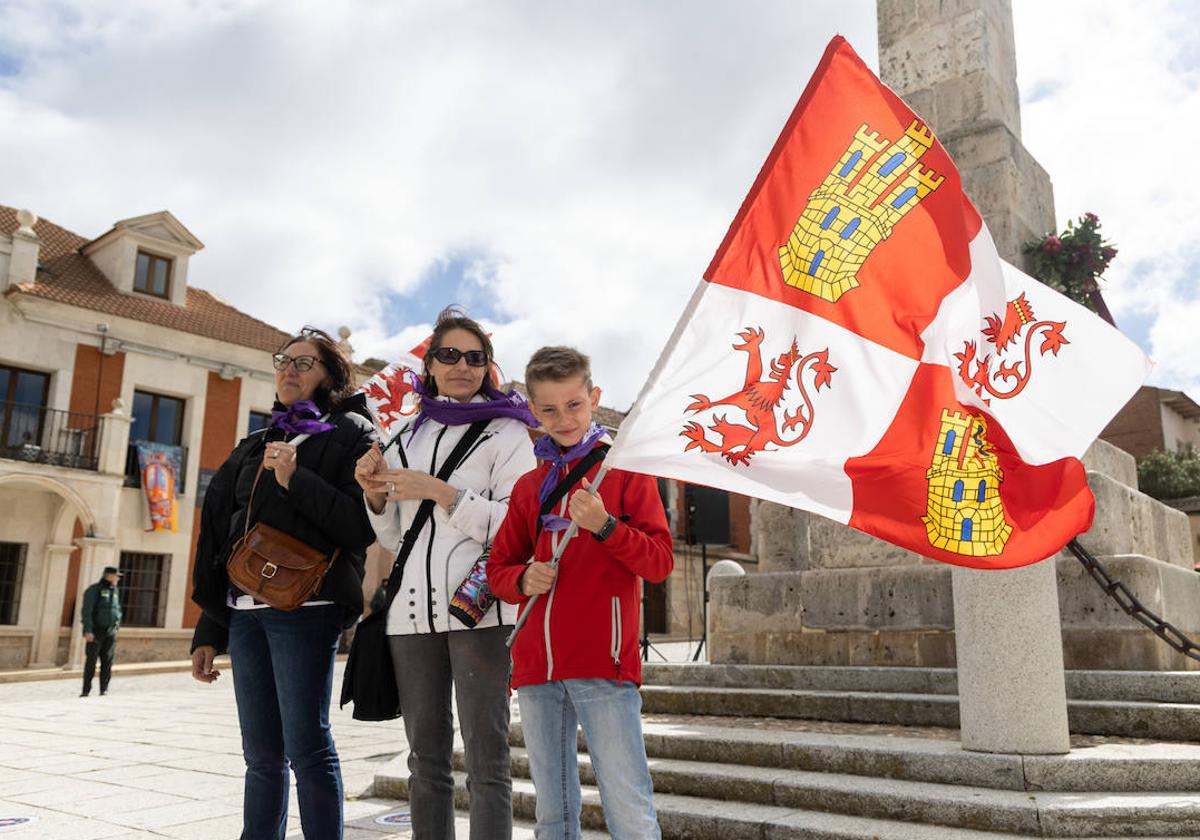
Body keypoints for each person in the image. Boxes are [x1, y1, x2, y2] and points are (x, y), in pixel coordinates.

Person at [354, 306, 537, 840]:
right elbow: (393, 537)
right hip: (410, 617)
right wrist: (374, 494)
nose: (463, 365)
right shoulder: (405, 433)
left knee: (487, 759)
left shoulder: (508, 432)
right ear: (429, 364)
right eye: (450, 355)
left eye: (475, 357)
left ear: (488, 366)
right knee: (424, 762)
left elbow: (516, 527)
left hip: (479, 611)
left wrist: (441, 492)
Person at [189, 326, 377, 840]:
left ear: (329, 377)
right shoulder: (257, 440)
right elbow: (228, 537)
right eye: (284, 360)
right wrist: (209, 628)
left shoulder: (352, 434)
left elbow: (360, 527)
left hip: (306, 607)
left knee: (307, 748)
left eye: (304, 363)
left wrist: (296, 478)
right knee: (261, 754)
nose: (289, 370)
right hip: (244, 612)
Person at [489, 346, 674, 840]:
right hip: (536, 669)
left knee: (628, 806)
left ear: (594, 398)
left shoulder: (625, 473)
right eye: (548, 409)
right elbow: (498, 569)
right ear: (532, 410)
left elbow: (659, 563)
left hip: (602, 661)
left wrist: (606, 526)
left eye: (573, 405)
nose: (563, 418)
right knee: (552, 812)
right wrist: (524, 579)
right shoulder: (529, 487)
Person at [80, 566, 122, 697]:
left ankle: (104, 689)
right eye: (116, 576)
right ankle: (86, 690)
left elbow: (117, 609)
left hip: (110, 632)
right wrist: (87, 630)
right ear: (108, 576)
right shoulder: (94, 590)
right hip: (96, 631)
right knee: (91, 661)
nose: (118, 579)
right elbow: (87, 611)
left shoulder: (115, 590)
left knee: (107, 661)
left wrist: (117, 625)